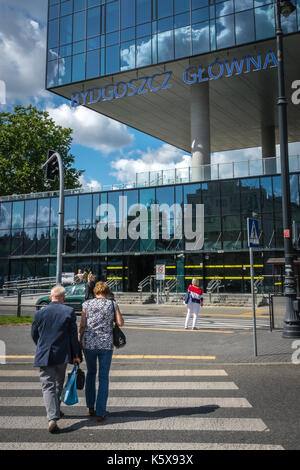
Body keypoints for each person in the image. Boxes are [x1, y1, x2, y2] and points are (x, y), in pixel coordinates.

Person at [31, 285, 82, 434]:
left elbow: (34, 334)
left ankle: (52, 418)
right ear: (64, 298)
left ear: (50, 296)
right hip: (62, 354)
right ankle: (56, 411)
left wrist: (41, 346)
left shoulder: (40, 313)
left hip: (44, 354)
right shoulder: (69, 312)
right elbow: (73, 337)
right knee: (59, 383)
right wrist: (76, 355)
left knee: (48, 386)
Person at [79, 281, 124, 422]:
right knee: (103, 377)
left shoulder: (86, 304)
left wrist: (79, 340)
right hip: (105, 344)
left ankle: (90, 407)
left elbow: (82, 325)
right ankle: (100, 411)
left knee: (91, 373)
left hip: (89, 344)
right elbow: (121, 323)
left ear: (95, 292)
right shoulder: (112, 304)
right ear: (107, 292)